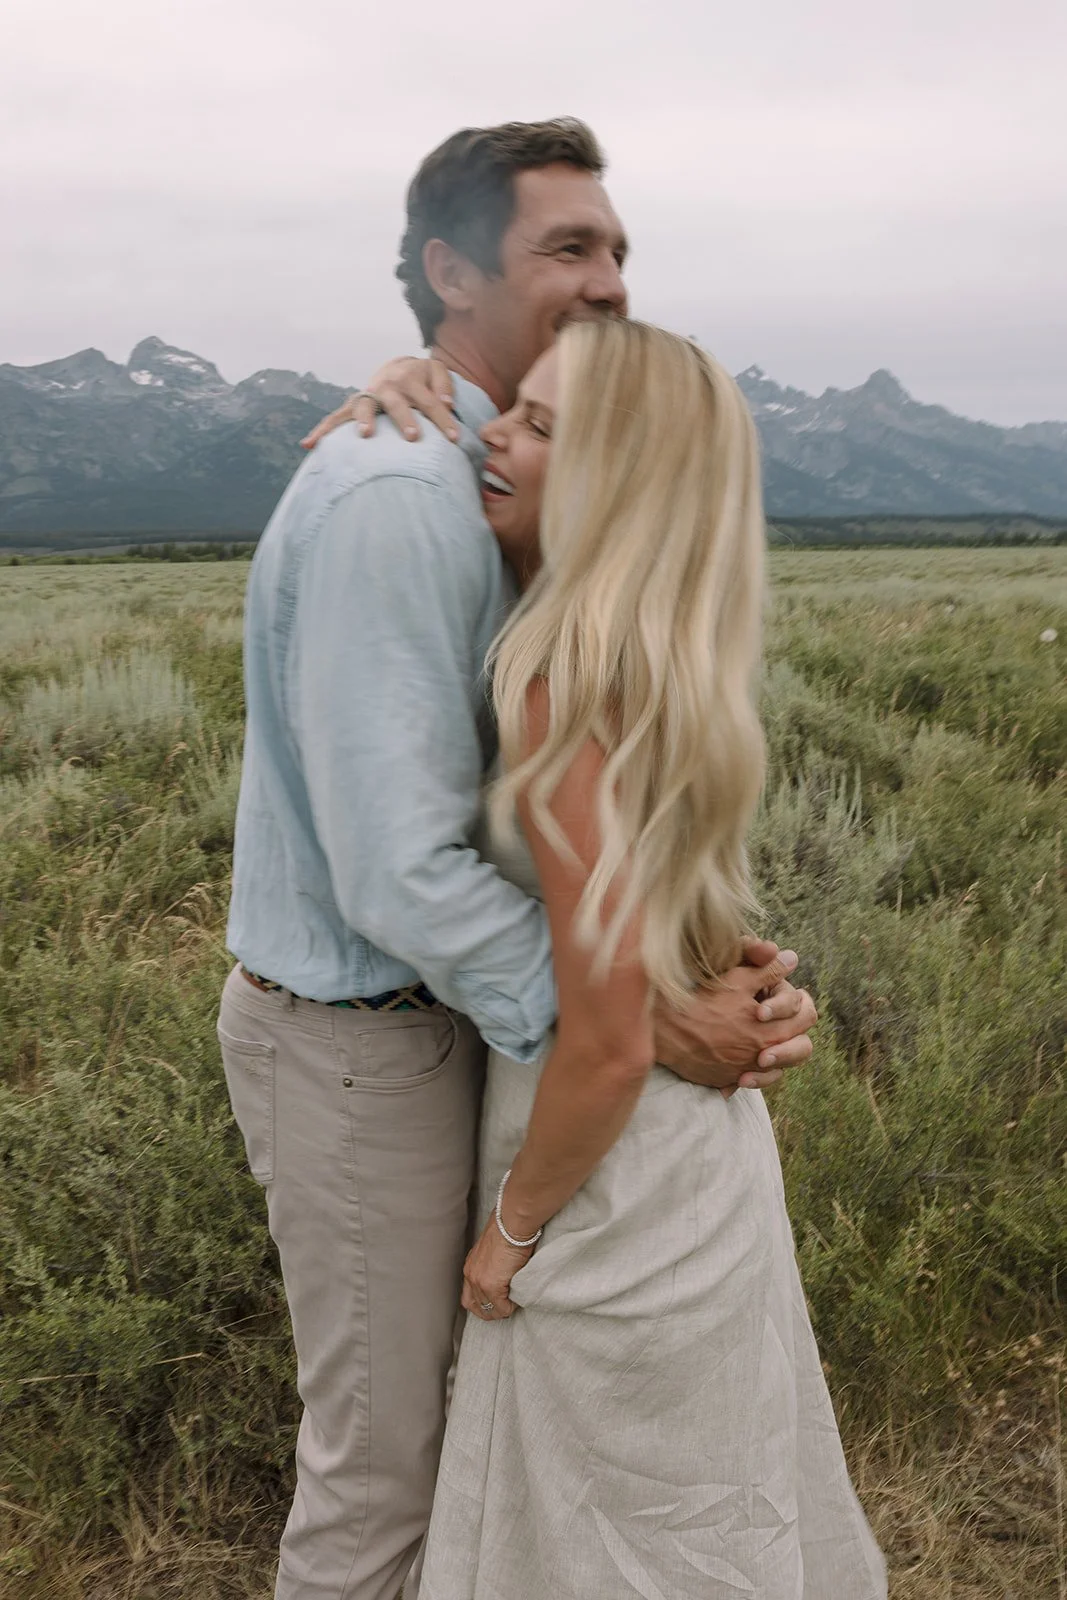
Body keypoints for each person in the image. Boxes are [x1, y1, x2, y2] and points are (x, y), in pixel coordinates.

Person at [219, 118, 818, 1600]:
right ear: (451, 274)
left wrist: (690, 970)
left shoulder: (522, 514)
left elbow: (601, 818)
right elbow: (398, 873)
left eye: (616, 249)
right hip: (364, 1046)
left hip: (484, 1045)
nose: (607, 279)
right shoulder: (398, 495)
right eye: (567, 248)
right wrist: (636, 1015)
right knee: (386, 1473)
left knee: (514, 1456)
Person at [408, 317, 887, 1598]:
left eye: (541, 426)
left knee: (604, 1538)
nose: (496, 436)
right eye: (510, 407)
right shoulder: (664, 653)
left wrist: (508, 1231)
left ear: (615, 481)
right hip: (699, 1166)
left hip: (609, 1186)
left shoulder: (557, 677)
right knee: (700, 1517)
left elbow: (611, 1039)